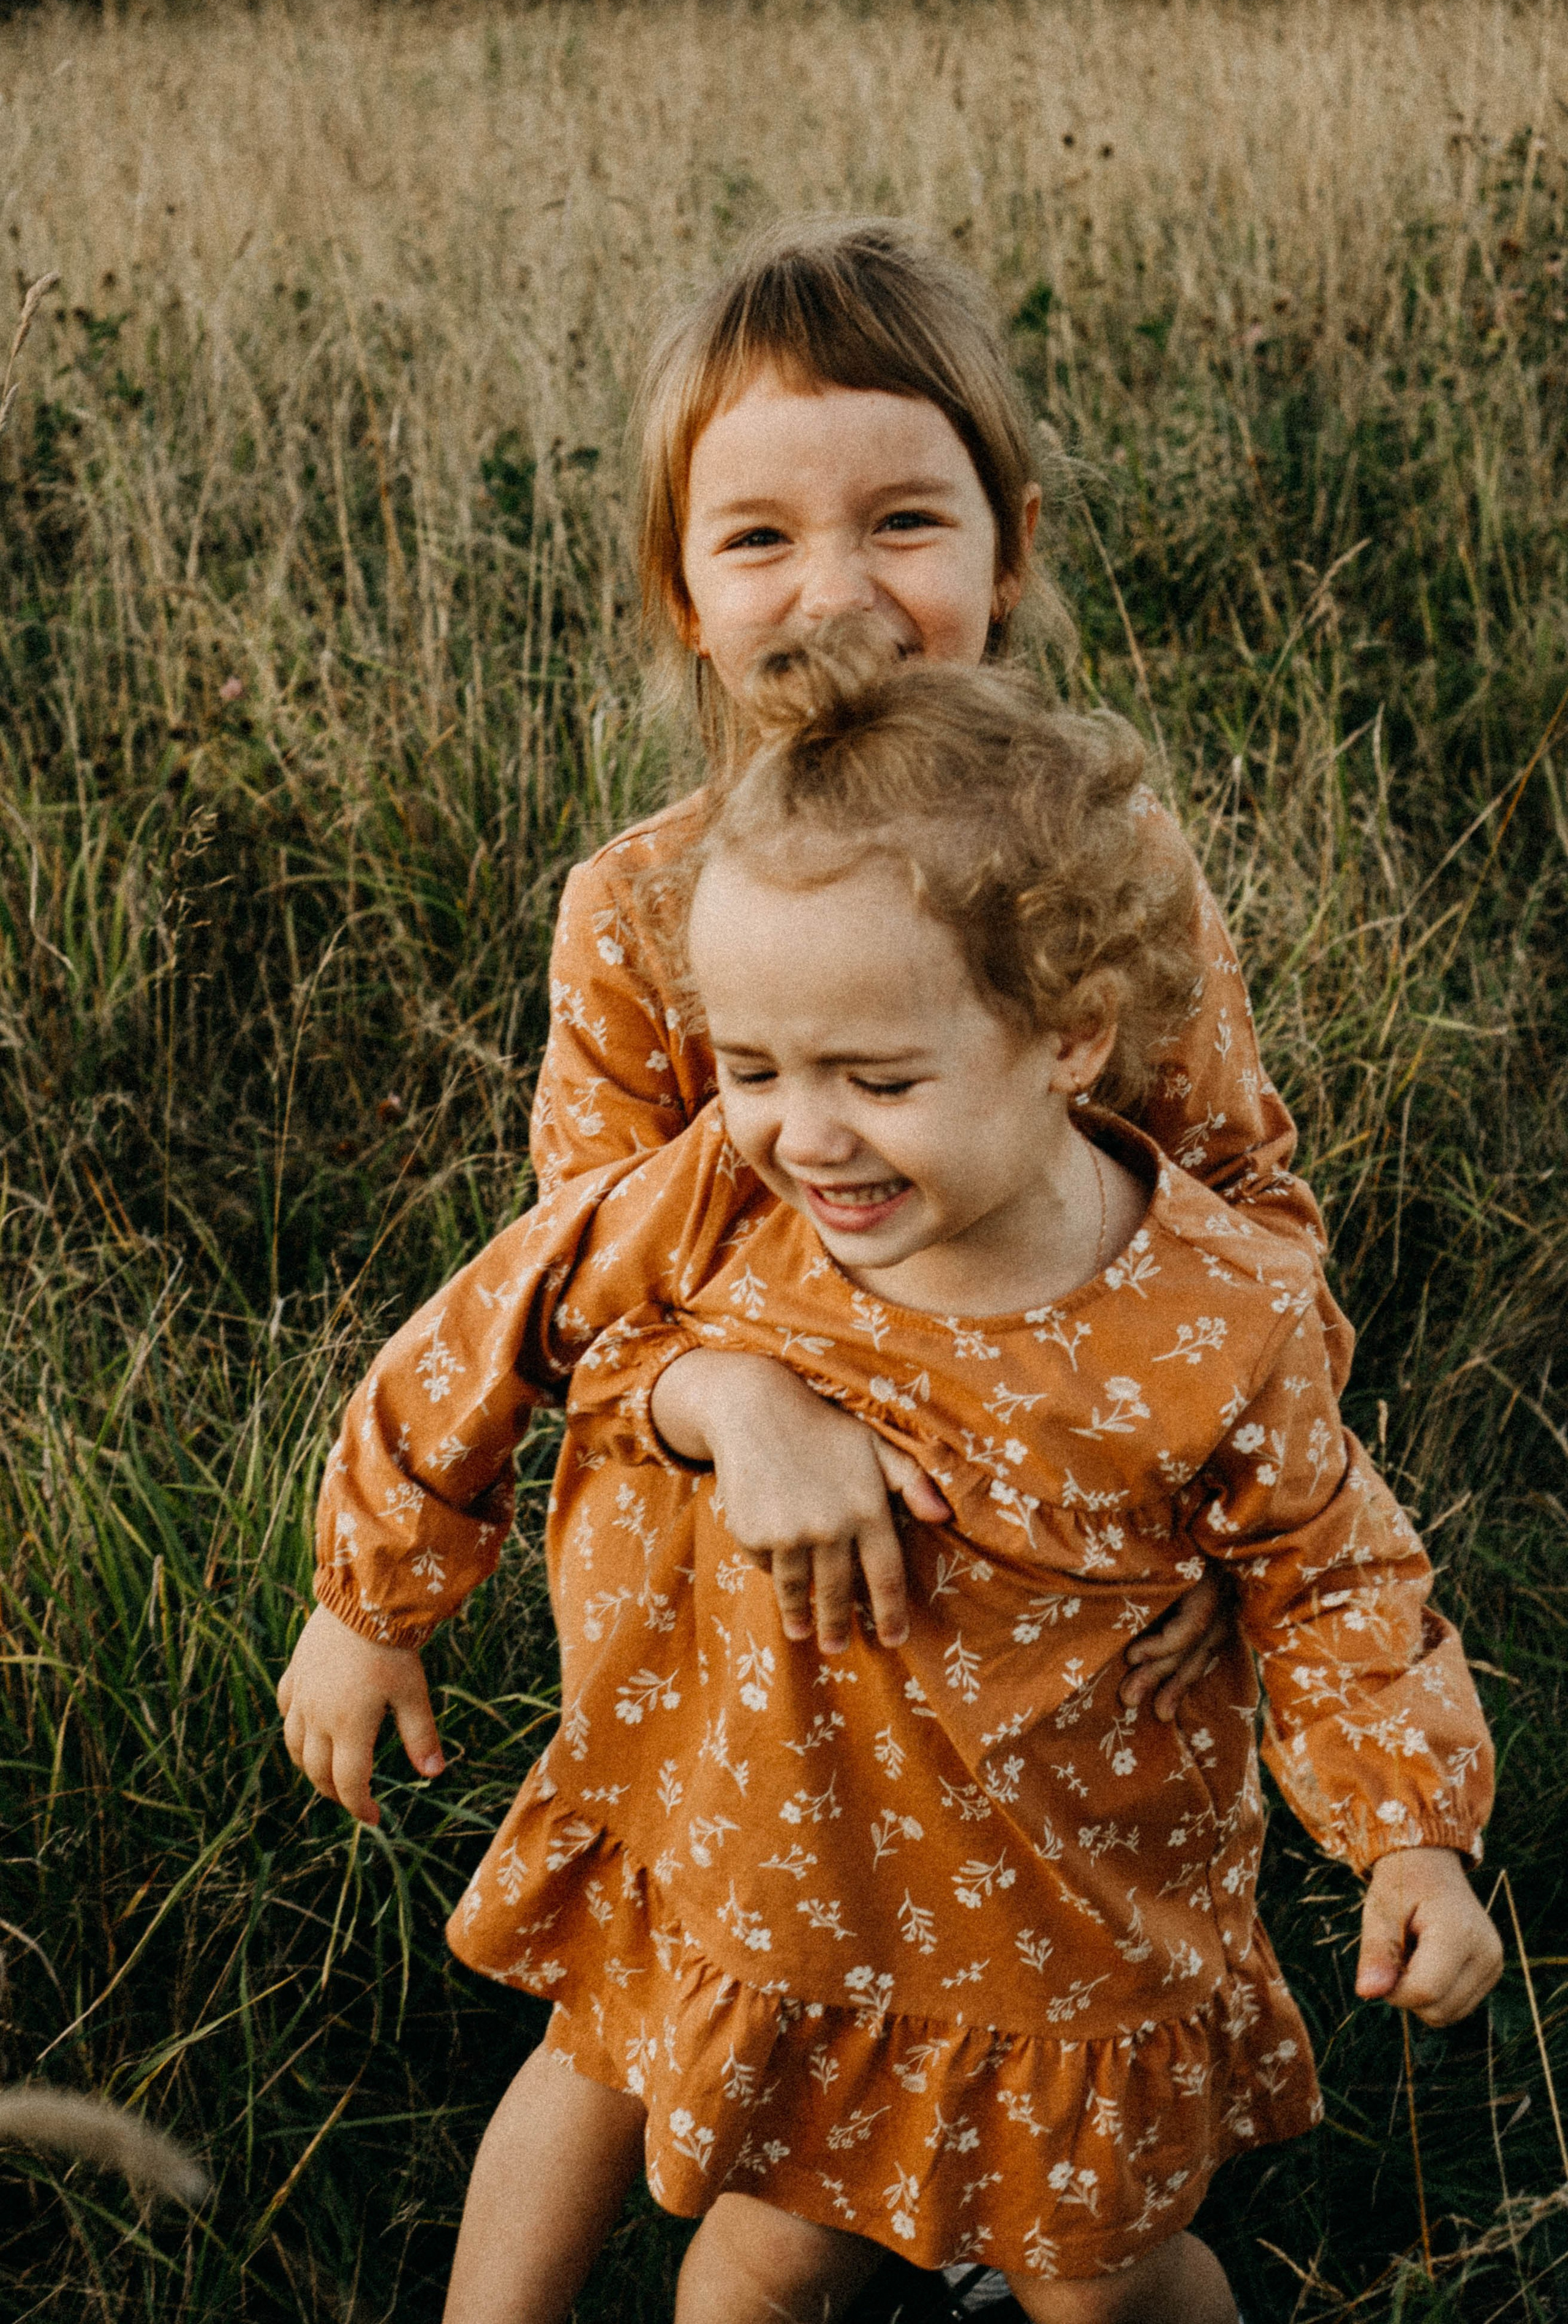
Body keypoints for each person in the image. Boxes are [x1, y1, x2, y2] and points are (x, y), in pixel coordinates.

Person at [287, 624, 1501, 2324]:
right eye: (757, 1068)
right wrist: (371, 1601)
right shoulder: (722, 1194)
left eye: (879, 1079)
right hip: (774, 1848)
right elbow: (498, 1319)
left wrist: (1410, 1839)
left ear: (1070, 1039)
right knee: (761, 2260)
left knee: (1100, 2280)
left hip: (1065, 1911)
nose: (807, 1132)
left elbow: (1334, 1573)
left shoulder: (1215, 1309)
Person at [283, 217, 1360, 1800]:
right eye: (759, 539)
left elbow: (1241, 1201)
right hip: (746, 1636)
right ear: (682, 591)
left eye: (905, 521)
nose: (839, 593)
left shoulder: (1112, 864)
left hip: (1067, 1633)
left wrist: (1239, 1524)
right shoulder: (640, 912)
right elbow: (574, 1301)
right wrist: (738, 1400)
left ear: (1010, 549)